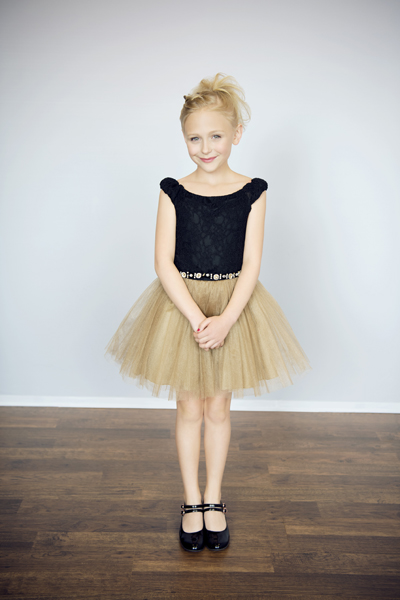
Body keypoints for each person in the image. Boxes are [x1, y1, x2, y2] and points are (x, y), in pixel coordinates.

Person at [104, 72, 312, 553]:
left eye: (215, 136)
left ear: (236, 134)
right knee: (188, 406)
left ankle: (214, 498)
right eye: (194, 138)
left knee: (218, 406)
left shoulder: (253, 191)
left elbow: (252, 263)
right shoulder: (173, 190)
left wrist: (226, 320)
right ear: (184, 139)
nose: (205, 147)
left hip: (233, 307)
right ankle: (191, 500)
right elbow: (163, 261)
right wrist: (198, 319)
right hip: (183, 308)